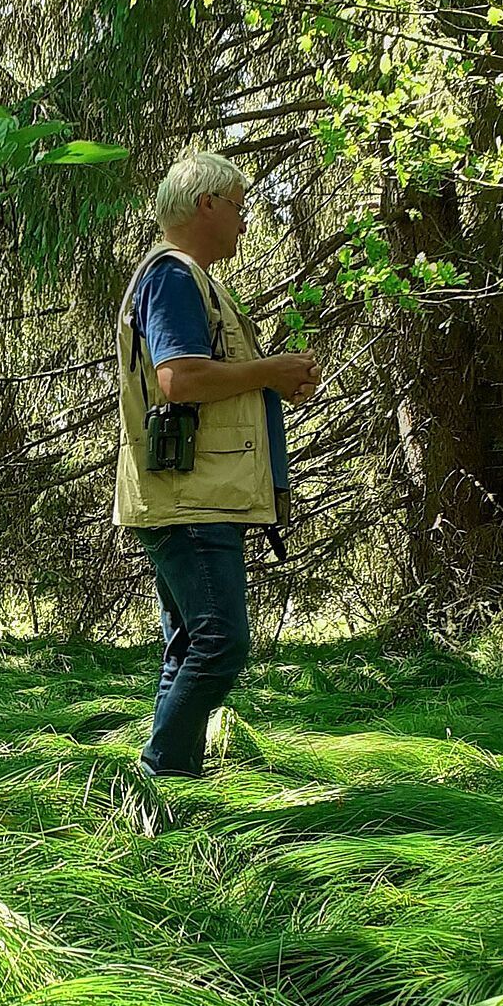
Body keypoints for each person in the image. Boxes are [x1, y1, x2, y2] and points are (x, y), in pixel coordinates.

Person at [115, 152, 321, 778]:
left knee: (188, 645)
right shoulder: (175, 277)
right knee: (221, 643)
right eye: (237, 207)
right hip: (192, 497)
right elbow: (179, 379)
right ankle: (159, 775)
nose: (242, 221)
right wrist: (271, 371)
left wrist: (268, 379)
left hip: (187, 492)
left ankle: (168, 787)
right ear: (206, 205)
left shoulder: (188, 279)